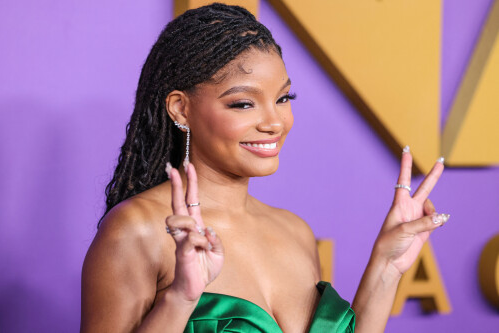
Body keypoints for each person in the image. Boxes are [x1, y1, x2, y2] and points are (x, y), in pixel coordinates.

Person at [81, 3, 449, 332]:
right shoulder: (136, 231)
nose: (275, 122)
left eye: (283, 98)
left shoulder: (295, 232)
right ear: (180, 108)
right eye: (244, 104)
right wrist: (180, 299)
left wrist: (387, 267)